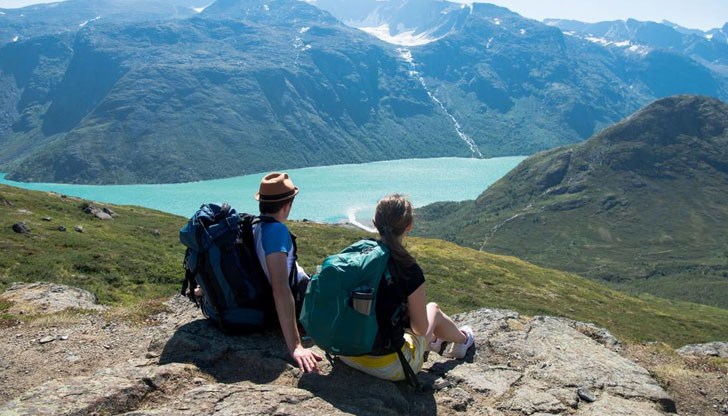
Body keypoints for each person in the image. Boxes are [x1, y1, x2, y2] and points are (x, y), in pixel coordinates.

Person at [339, 193, 475, 381]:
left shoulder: (359, 257)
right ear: (409, 226)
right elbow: (419, 329)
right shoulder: (408, 269)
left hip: (345, 353)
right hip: (388, 367)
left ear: (374, 222)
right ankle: (462, 341)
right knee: (433, 310)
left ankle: (437, 341)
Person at [253, 172, 322, 373]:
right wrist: (296, 346)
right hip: (297, 301)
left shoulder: (254, 226)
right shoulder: (277, 232)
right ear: (286, 206)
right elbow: (280, 288)